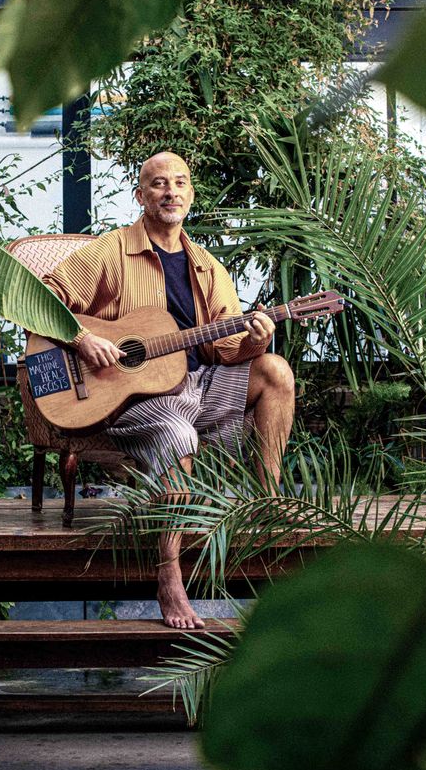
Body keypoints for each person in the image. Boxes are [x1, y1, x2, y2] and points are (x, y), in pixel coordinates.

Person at [43, 151, 295, 629]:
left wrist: (256, 341)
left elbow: (226, 349)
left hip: (196, 386)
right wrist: (82, 337)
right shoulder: (111, 250)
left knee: (276, 371)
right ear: (140, 195)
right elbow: (42, 297)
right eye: (159, 184)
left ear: (191, 194)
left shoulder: (207, 267)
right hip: (126, 397)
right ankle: (169, 572)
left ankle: (267, 504)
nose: (170, 192)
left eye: (180, 183)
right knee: (179, 434)